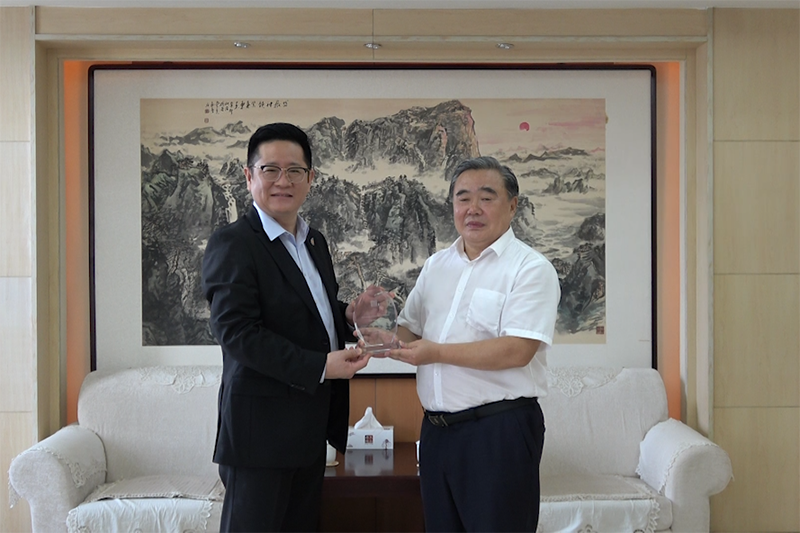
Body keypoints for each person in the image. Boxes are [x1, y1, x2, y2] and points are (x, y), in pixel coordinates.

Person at [202, 122, 371, 533]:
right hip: (259, 437)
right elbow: (238, 333)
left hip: (308, 432)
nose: (283, 181)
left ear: (310, 178)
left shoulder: (314, 242)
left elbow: (307, 313)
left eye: (295, 170)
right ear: (249, 176)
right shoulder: (234, 243)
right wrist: (321, 366)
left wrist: (349, 315)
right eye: (270, 170)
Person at [388, 156, 561, 533]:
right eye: (463, 198)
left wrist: (435, 352)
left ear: (512, 205)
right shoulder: (436, 266)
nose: (473, 208)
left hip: (498, 433)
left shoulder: (530, 269)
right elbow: (408, 333)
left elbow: (517, 350)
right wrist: (377, 334)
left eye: (486, 197)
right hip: (436, 433)